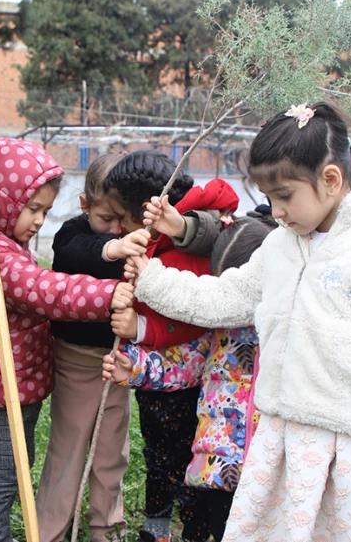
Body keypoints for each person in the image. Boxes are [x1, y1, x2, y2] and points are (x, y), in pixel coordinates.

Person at [124, 102, 351, 541]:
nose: (276, 211)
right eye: (269, 198)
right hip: (281, 447)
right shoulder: (283, 244)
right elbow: (225, 297)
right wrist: (151, 278)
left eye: (285, 196)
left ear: (330, 179)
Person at [0, 138, 133, 542]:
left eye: (45, 211)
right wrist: (107, 296)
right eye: (32, 209)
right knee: (4, 471)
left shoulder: (6, 243)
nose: (38, 220)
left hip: (17, 380)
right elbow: (44, 290)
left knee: (19, 462)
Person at [103, 216, 274, 542]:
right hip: (218, 468)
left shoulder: (284, 333)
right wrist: (135, 368)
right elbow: (184, 363)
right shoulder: (217, 327)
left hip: (267, 471)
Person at [102, 151, 239, 542]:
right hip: (152, 374)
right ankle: (158, 525)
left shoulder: (184, 252)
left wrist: (141, 326)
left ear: (146, 211)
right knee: (159, 452)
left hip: (186, 377)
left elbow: (190, 317)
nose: (116, 229)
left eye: (121, 219)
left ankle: (187, 529)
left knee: (184, 456)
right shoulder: (156, 244)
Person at [35, 152, 138, 542]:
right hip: (76, 360)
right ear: (85, 205)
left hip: (119, 363)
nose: (114, 230)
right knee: (69, 448)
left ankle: (105, 527)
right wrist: (112, 250)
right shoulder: (73, 234)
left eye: (123, 220)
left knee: (111, 452)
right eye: (105, 219)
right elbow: (73, 254)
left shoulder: (138, 240)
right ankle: (50, 531)